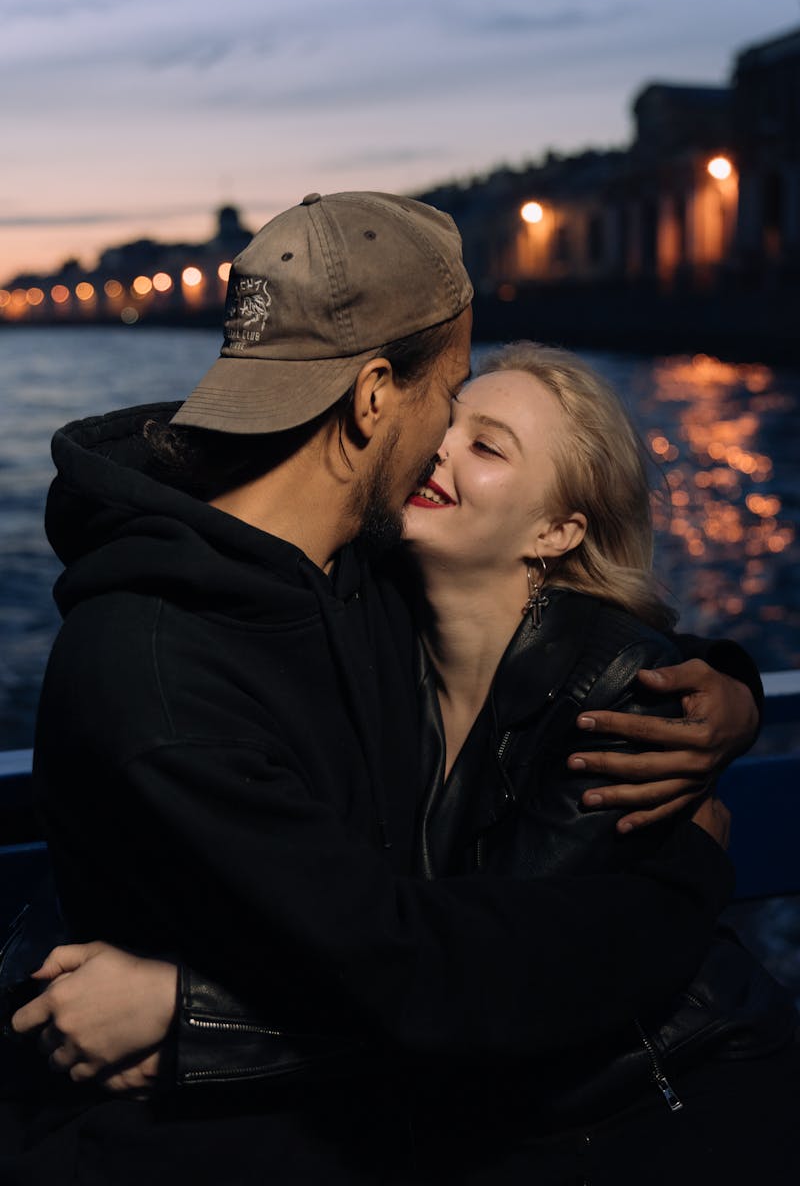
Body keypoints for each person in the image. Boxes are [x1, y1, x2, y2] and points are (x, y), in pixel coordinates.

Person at [1, 194, 753, 1184]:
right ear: (370, 397)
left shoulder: (356, 561)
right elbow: (403, 976)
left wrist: (728, 694)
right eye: (450, 395)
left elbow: (569, 636)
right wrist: (692, 871)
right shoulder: (161, 683)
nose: (445, 433)